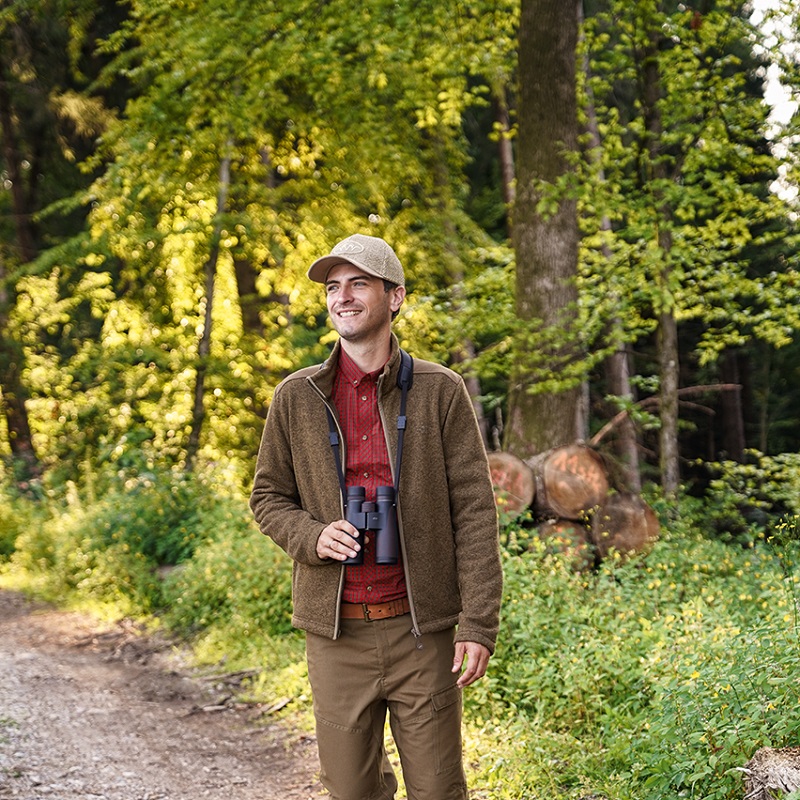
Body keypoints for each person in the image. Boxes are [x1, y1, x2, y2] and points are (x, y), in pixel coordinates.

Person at [249, 232, 503, 800]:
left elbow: (475, 511)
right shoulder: (297, 396)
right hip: (337, 636)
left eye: (358, 284)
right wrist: (314, 537)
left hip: (422, 631)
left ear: (396, 297)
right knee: (352, 792)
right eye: (333, 287)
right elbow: (267, 496)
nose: (342, 297)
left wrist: (478, 623)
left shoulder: (440, 390)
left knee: (440, 791)